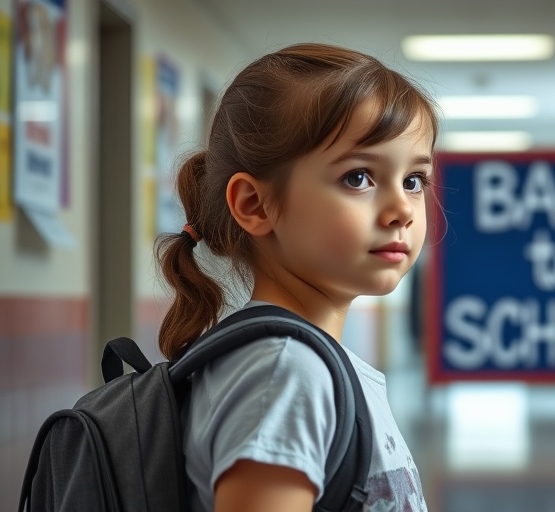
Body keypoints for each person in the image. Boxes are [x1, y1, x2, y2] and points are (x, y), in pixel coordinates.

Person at [155, 43, 438, 512]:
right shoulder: (284, 374)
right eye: (358, 177)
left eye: (413, 181)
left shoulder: (301, 364)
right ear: (254, 205)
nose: (401, 211)